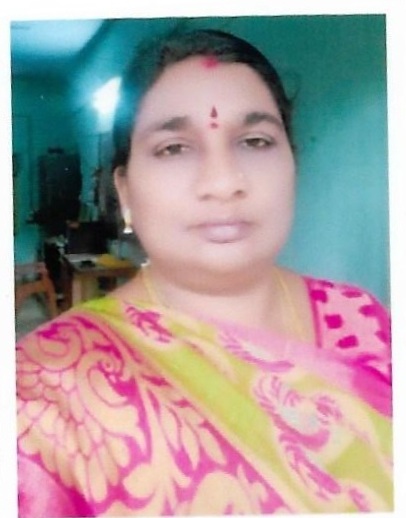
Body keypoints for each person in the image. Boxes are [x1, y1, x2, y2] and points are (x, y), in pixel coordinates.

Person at [16, 28, 392, 516]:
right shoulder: (41, 392)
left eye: (255, 141)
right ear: (125, 192)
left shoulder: (362, 317)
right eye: (174, 148)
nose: (223, 182)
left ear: (292, 165)